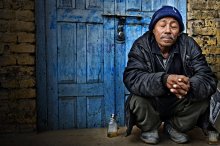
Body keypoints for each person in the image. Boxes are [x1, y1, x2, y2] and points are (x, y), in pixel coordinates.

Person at [123, 5, 218, 144]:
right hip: (152, 101)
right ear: (153, 30)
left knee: (203, 99)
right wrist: (163, 80)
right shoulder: (141, 45)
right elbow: (132, 77)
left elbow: (207, 78)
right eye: (162, 25)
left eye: (173, 26)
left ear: (179, 32)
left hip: (180, 100)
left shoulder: (188, 44)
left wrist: (189, 86)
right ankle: (150, 128)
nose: (168, 30)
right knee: (136, 98)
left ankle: (173, 126)